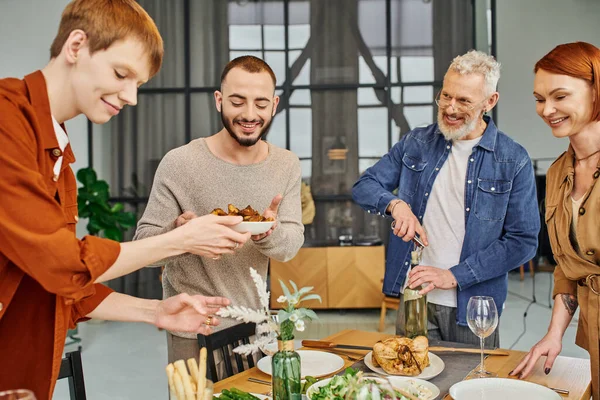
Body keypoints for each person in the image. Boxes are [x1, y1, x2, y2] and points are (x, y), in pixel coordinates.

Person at [0, 1, 251, 398]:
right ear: (76, 46)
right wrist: (181, 240)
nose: (131, 97)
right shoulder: (6, 122)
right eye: (122, 74)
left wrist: (155, 311)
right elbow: (62, 263)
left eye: (139, 83)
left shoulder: (58, 157)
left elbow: (62, 287)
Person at [352, 50, 540, 345]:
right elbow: (364, 185)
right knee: (413, 385)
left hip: (474, 308)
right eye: (446, 96)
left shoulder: (513, 159)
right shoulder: (416, 143)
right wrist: (396, 205)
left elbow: (523, 242)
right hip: (415, 299)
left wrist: (454, 276)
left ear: (490, 101)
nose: (450, 108)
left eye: (464, 100)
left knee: (470, 389)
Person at [133, 55, 304, 374]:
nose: (249, 114)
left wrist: (268, 233)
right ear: (219, 100)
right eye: (238, 101)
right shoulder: (179, 163)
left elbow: (291, 244)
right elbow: (143, 248)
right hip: (192, 330)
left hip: (256, 328)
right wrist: (180, 236)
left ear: (274, 104)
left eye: (260, 103)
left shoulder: (285, 164)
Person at [510, 41, 600, 399]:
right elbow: (567, 267)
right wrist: (554, 334)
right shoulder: (559, 171)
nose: (546, 110)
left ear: (596, 90)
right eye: (539, 98)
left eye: (560, 96)